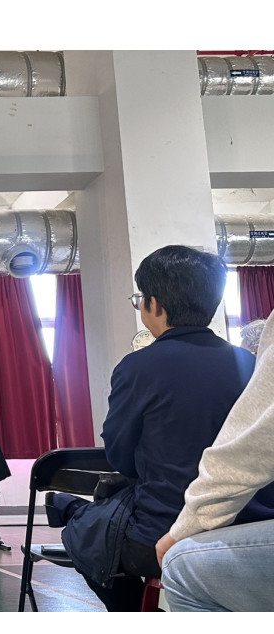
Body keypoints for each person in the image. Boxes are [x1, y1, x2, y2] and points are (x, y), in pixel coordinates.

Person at [48, 245, 257, 611]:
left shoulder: (138, 368)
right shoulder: (251, 364)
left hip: (163, 533)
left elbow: (121, 459)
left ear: (154, 304)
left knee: (85, 537)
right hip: (252, 529)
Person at [155, 309, 274, 611]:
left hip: (200, 504)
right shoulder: (240, 362)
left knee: (180, 565)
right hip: (252, 504)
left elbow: (255, 445)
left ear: (155, 305)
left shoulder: (137, 367)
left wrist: (185, 527)